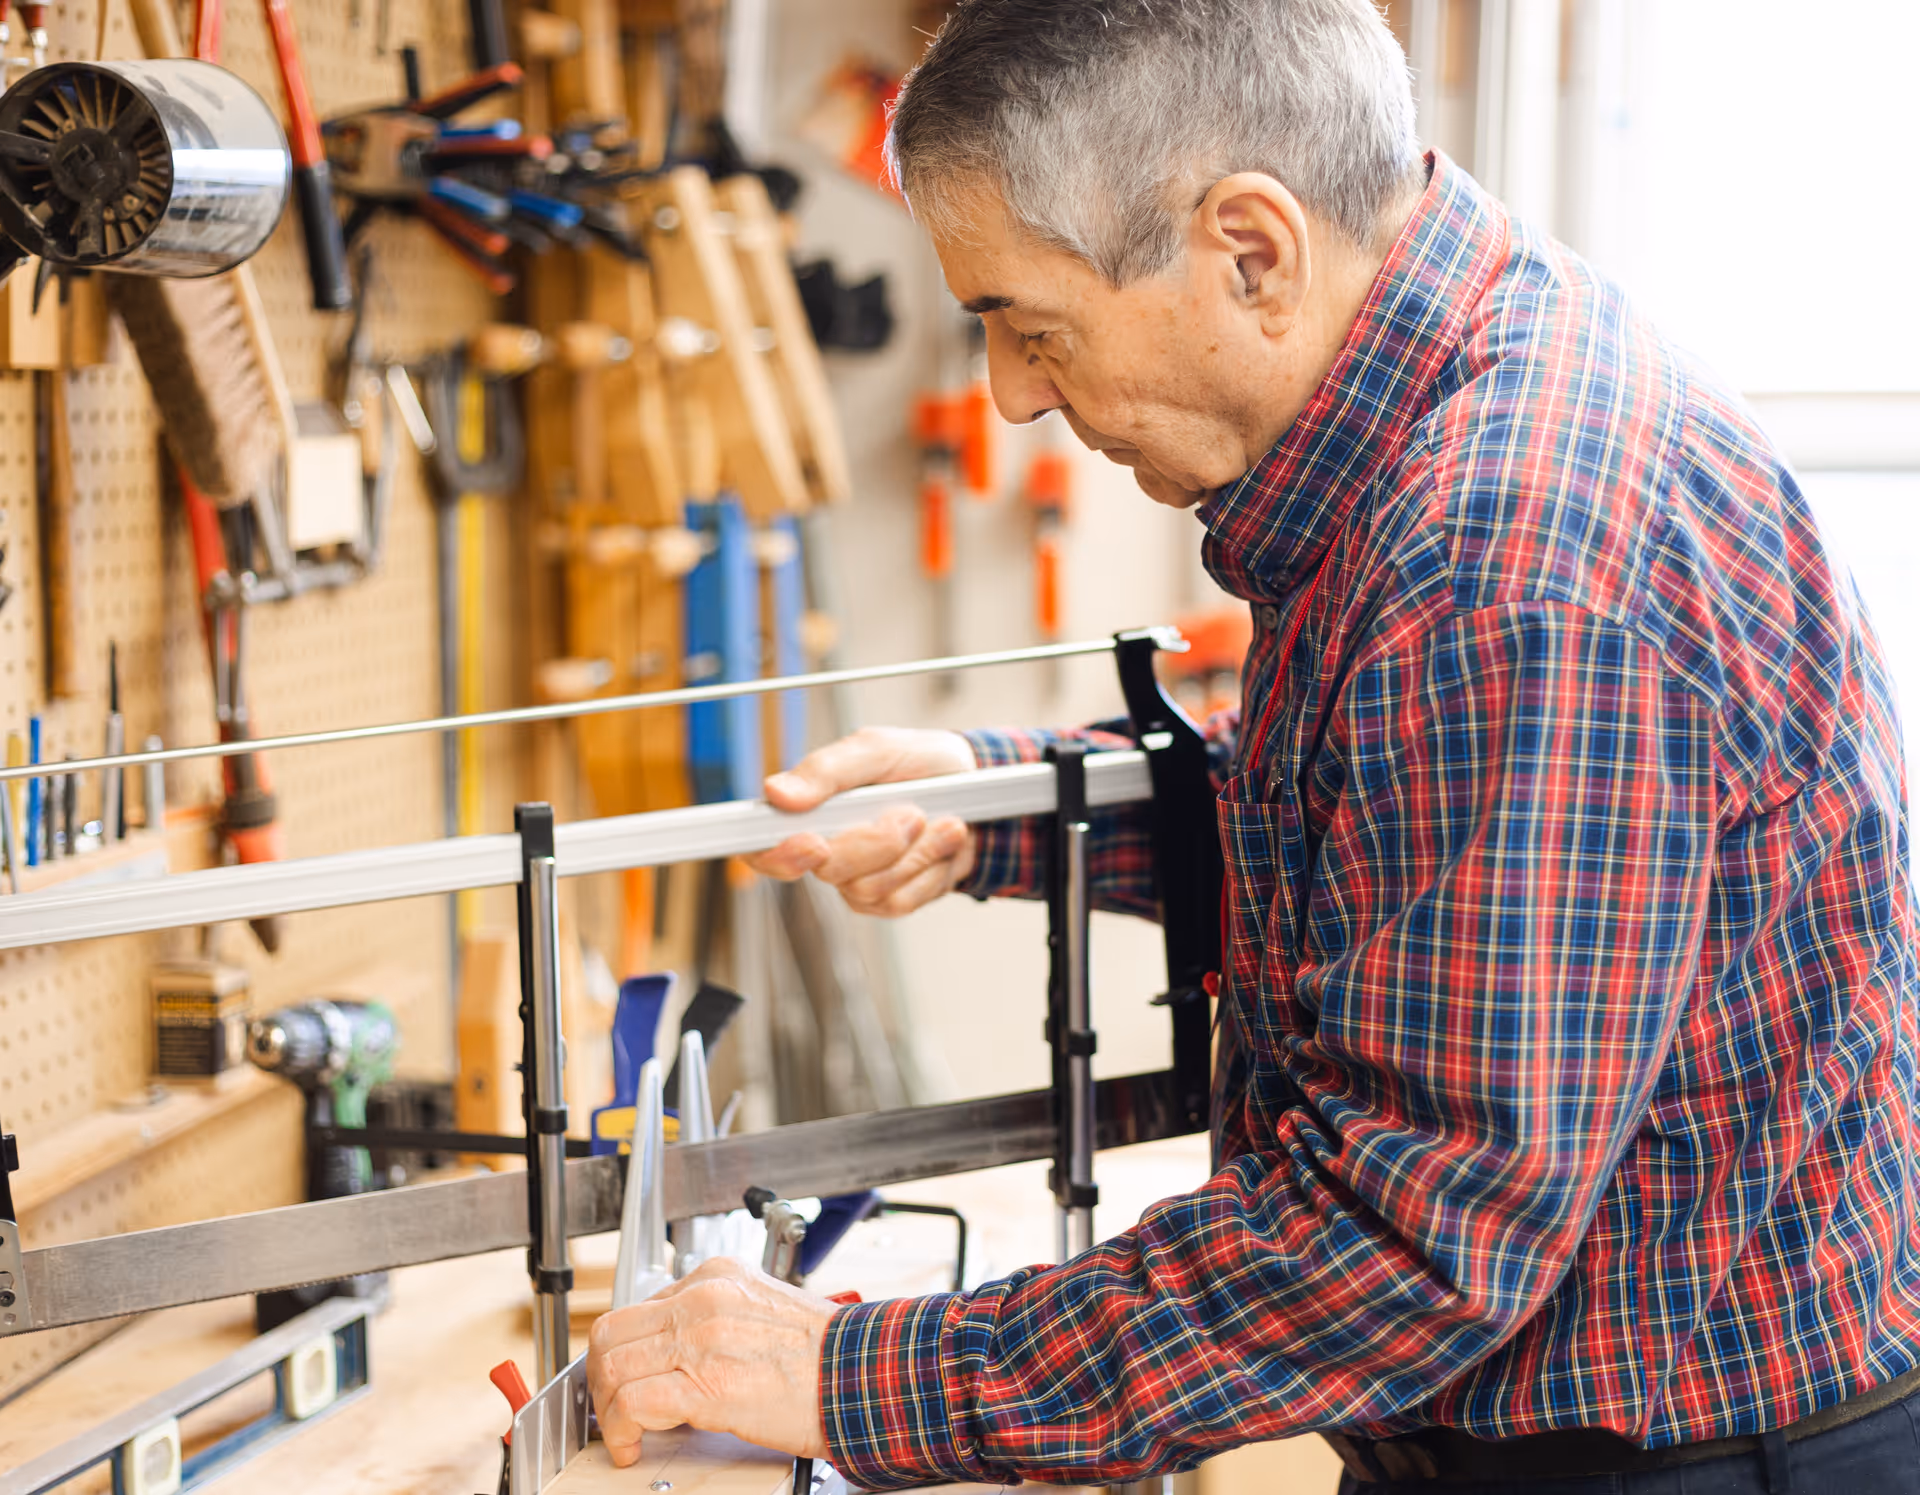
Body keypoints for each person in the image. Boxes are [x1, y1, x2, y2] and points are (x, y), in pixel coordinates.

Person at [587, 2, 1920, 1489]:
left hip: (1675, 1462)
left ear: (1252, 252)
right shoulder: (1459, 391)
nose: (1017, 394)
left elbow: (1405, 1240)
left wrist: (848, 1372)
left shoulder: (1504, 560)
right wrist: (1005, 806)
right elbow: (1386, 821)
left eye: (1033, 327)